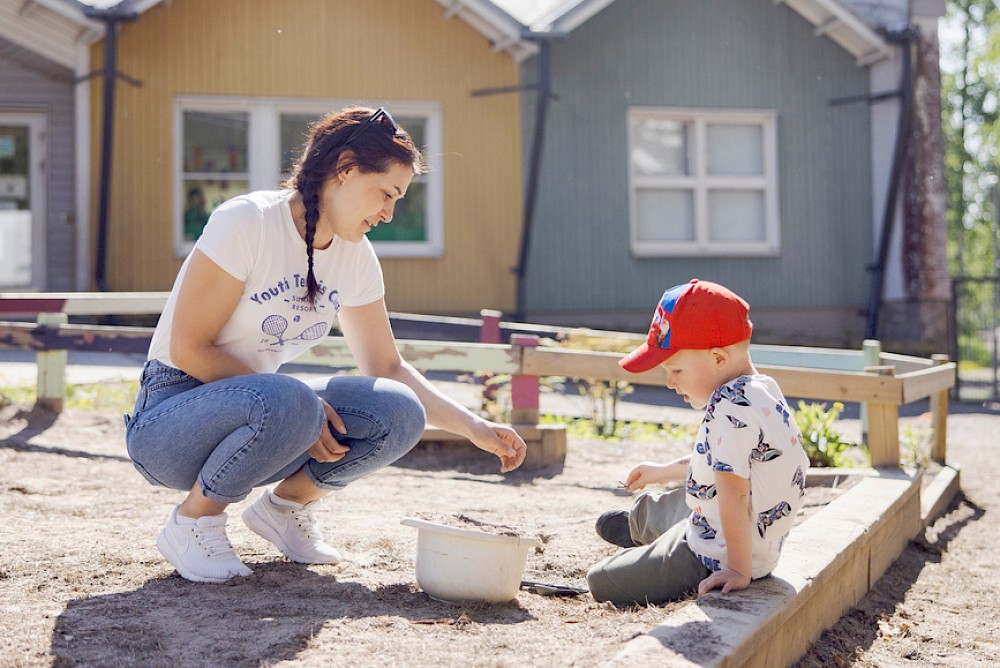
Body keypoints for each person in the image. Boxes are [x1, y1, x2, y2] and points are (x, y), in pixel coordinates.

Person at [125, 106, 528, 584]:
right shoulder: (248, 222)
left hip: (265, 412)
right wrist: (301, 407)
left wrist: (473, 426)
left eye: (397, 200)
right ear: (345, 168)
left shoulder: (355, 255)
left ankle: (285, 508)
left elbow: (387, 367)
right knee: (292, 397)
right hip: (170, 419)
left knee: (397, 409)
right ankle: (194, 521)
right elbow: (189, 348)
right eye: (385, 194)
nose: (388, 212)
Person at [586, 279, 808, 606]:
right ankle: (640, 524)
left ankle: (647, 533)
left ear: (718, 358)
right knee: (689, 501)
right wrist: (661, 471)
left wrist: (736, 569)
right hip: (748, 536)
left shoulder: (729, 408)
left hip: (716, 553)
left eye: (675, 369)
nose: (669, 382)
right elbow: (720, 464)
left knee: (601, 580)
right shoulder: (761, 389)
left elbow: (733, 491)